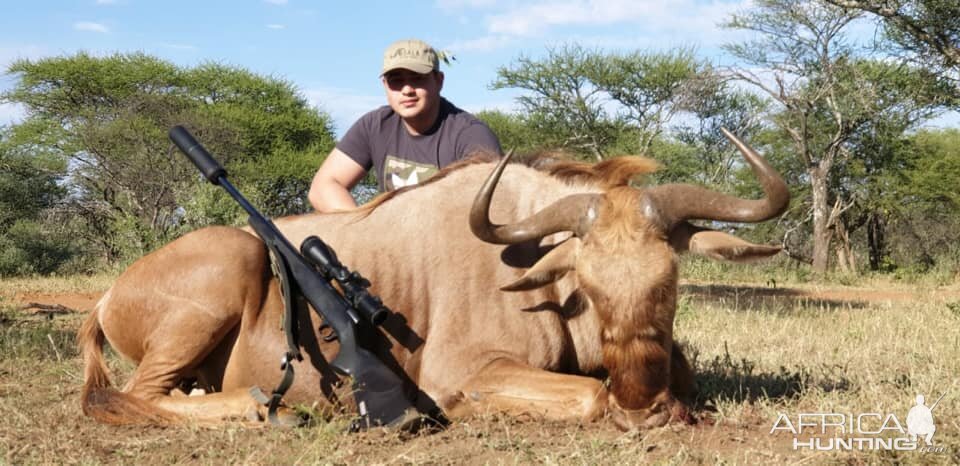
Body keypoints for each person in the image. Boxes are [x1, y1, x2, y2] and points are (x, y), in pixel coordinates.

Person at [308, 38, 502, 212]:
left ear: (439, 81)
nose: (407, 90)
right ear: (385, 85)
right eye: (396, 81)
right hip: (387, 241)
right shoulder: (374, 125)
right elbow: (322, 187)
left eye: (417, 78)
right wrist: (365, 228)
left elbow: (487, 208)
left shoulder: (471, 135)